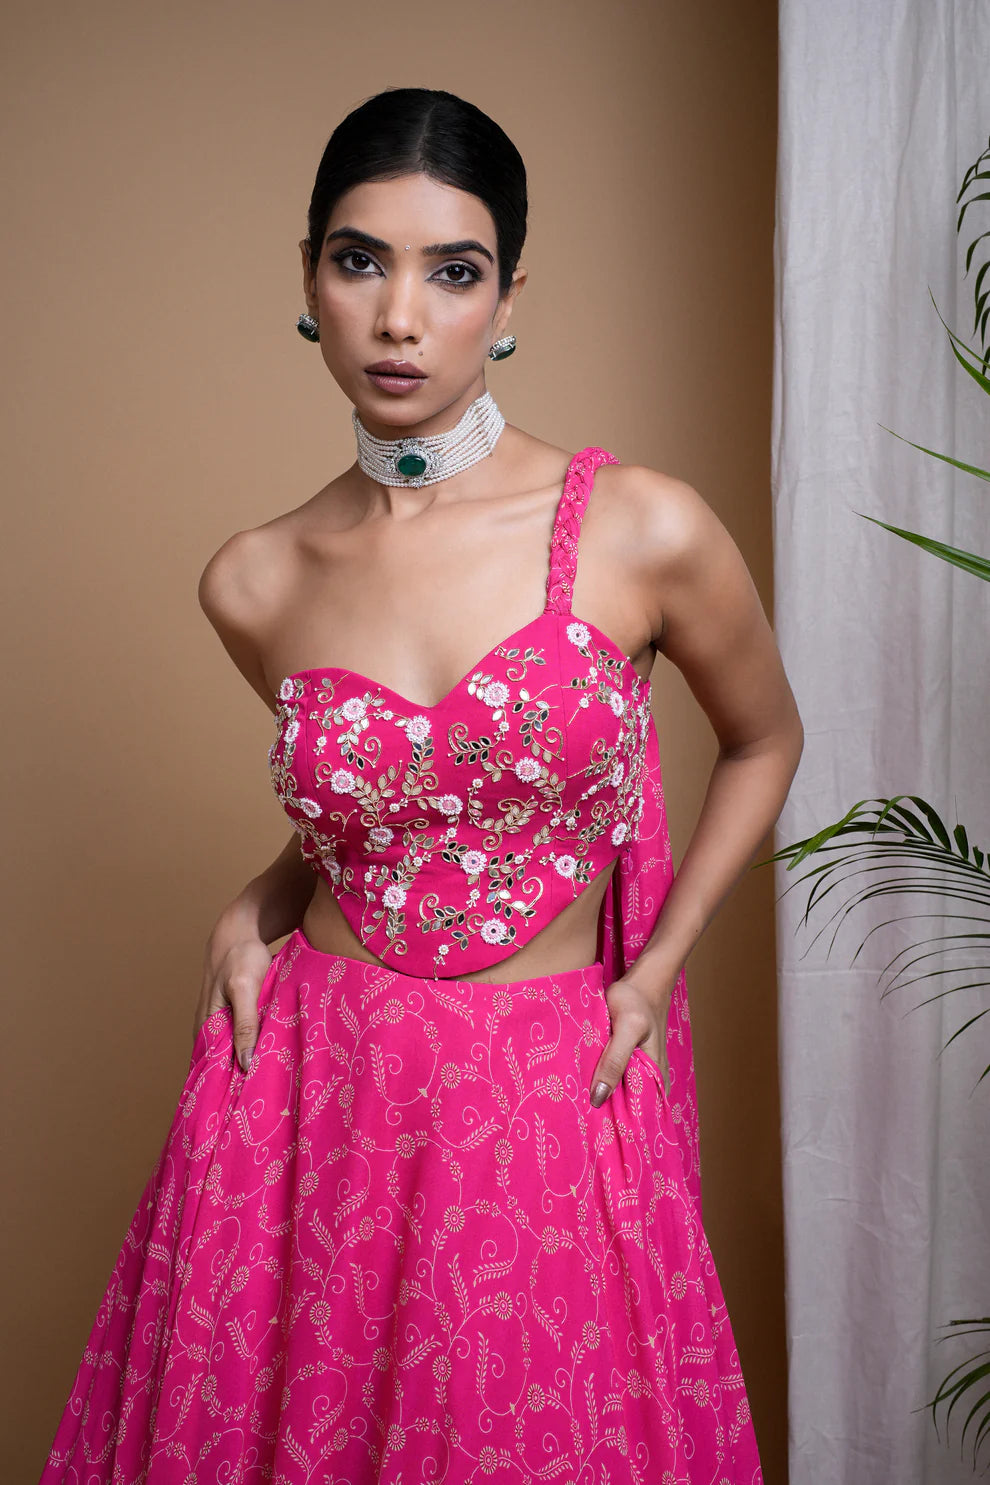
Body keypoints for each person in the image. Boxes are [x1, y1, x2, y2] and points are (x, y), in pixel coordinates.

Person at [40, 86, 799, 1483]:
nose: (400, 317)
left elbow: (765, 739)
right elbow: (389, 799)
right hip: (316, 1083)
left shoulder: (638, 527)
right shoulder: (255, 579)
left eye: (452, 272)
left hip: (545, 1075)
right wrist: (262, 897)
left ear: (506, 301)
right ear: (309, 284)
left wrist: (651, 973)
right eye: (360, 261)